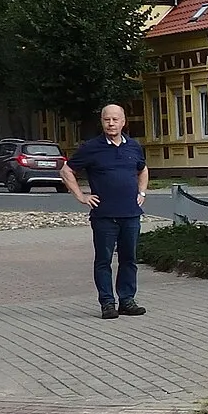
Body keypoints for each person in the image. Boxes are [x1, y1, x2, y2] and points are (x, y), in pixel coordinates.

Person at [61, 103, 148, 318]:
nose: (111, 123)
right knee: (104, 260)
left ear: (123, 122)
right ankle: (107, 303)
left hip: (130, 214)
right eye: (107, 119)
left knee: (129, 259)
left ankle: (127, 300)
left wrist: (142, 193)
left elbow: (143, 169)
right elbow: (66, 170)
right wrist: (81, 196)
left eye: (115, 119)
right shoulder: (92, 147)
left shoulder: (134, 147)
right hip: (104, 215)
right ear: (102, 121)